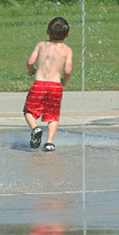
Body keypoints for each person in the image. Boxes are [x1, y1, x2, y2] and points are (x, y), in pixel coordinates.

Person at [23, 17, 73, 152]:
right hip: (56, 86)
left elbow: (30, 62)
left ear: (47, 31)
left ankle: (35, 128)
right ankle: (49, 142)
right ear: (68, 34)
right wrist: (64, 81)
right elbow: (68, 70)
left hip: (39, 84)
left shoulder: (41, 45)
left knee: (29, 110)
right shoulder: (67, 50)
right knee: (53, 115)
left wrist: (31, 71)